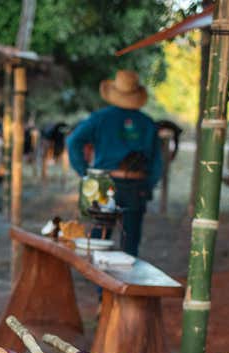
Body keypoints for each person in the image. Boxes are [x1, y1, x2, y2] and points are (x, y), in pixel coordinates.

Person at [66, 70, 163, 257]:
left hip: (103, 182)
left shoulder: (100, 118)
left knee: (98, 241)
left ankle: (101, 286)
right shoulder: (147, 123)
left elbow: (73, 142)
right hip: (136, 186)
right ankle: (126, 285)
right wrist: (147, 185)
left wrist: (84, 172)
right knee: (130, 244)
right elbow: (156, 163)